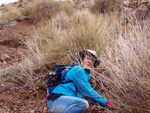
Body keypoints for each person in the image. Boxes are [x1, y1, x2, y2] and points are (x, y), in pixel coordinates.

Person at [47, 49, 113, 113]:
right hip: (57, 100)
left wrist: (95, 100)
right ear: (81, 59)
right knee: (82, 104)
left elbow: (85, 93)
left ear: (94, 63)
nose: (89, 61)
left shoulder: (85, 75)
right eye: (87, 58)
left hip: (59, 102)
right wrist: (105, 102)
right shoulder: (77, 70)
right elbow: (88, 91)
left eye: (92, 60)